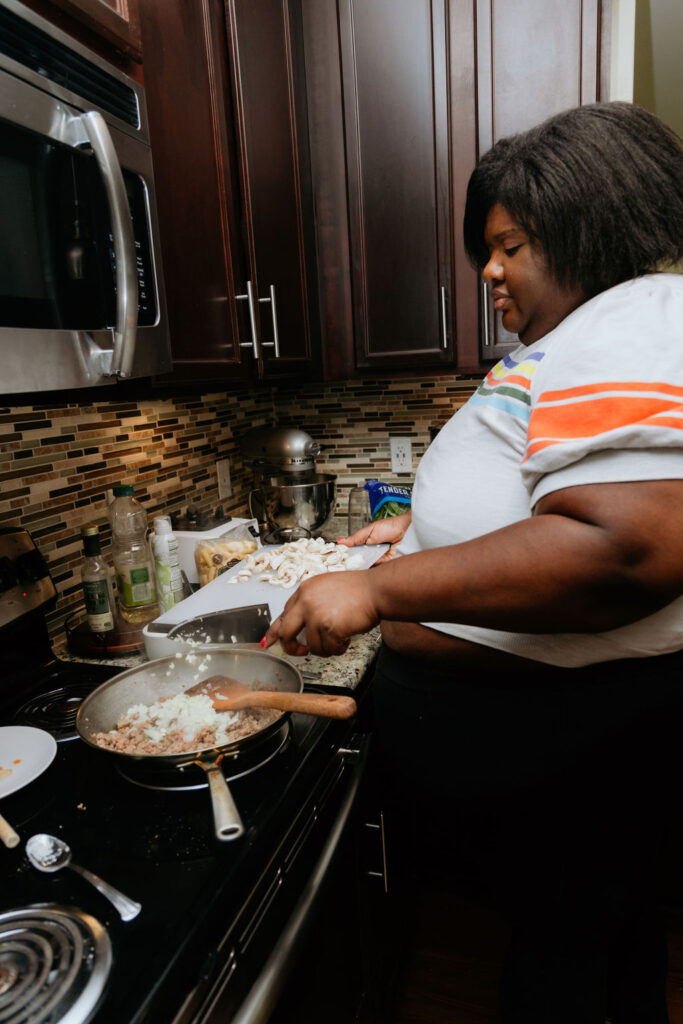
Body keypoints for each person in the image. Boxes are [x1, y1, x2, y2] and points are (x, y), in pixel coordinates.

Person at [263, 102, 683, 1023]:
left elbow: (626, 547)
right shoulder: (570, 343)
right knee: (598, 944)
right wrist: (416, 525)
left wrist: (377, 590)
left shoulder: (636, 314)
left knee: (560, 975)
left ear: (590, 227)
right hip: (561, 752)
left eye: (512, 244)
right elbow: (535, 485)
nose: (488, 270)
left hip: (578, 749)